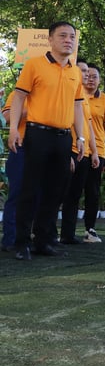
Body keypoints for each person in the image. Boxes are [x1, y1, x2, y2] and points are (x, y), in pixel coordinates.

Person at [8, 21, 86, 260]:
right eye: (62, 36)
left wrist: (80, 137)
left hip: (63, 138)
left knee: (55, 191)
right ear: (50, 39)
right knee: (29, 189)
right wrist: (13, 129)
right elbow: (19, 97)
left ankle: (44, 240)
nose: (68, 40)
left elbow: (78, 107)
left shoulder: (75, 71)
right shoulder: (34, 65)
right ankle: (20, 243)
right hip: (37, 134)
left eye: (72, 36)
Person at [59, 59, 100, 244]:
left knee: (75, 195)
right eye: (82, 70)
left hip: (83, 152)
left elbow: (89, 126)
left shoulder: (83, 96)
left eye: (88, 72)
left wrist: (94, 151)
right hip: (70, 150)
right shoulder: (67, 91)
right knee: (59, 193)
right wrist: (68, 151)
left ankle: (68, 234)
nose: (86, 74)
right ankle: (45, 234)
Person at [82, 63, 105, 241]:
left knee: (92, 191)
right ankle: (62, 231)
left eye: (94, 76)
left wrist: (95, 142)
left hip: (97, 151)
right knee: (68, 189)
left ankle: (90, 229)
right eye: (87, 75)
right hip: (75, 148)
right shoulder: (74, 95)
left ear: (100, 80)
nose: (90, 80)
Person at [1, 90, 27, 252]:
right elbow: (6, 118)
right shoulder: (16, 95)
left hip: (41, 150)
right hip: (20, 148)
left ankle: (27, 237)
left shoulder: (51, 95)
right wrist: (28, 111)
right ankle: (10, 239)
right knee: (16, 193)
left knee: (36, 194)